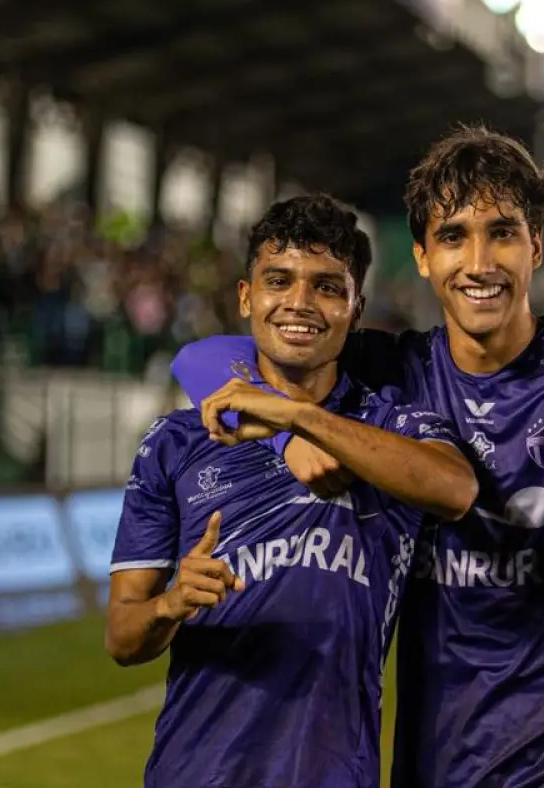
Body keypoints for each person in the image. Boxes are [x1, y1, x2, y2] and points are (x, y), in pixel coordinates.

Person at [171, 126, 544, 787]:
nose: (479, 261)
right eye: (454, 236)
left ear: (535, 247)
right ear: (424, 257)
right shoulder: (393, 370)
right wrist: (294, 432)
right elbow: (206, 357)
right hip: (441, 740)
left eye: (502, 233)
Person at [105, 194, 478, 788]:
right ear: (246, 296)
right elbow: (123, 637)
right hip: (192, 772)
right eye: (278, 280)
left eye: (328, 287)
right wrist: (171, 604)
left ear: (356, 309)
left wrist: (294, 419)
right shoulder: (175, 441)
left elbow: (453, 488)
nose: (299, 303)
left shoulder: (389, 429)